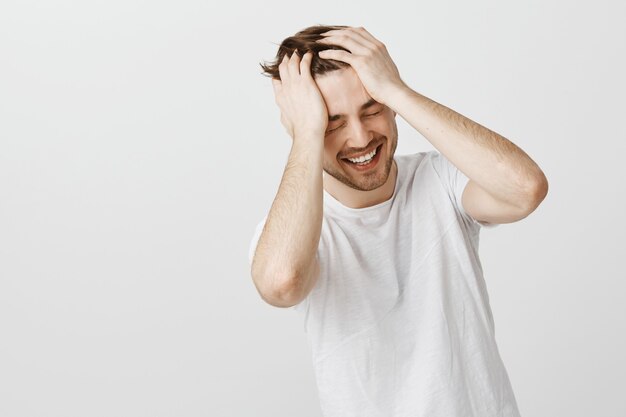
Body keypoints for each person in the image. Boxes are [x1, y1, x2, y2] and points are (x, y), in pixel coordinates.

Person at [249, 24, 548, 417]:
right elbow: (282, 284)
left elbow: (525, 189)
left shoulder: (441, 180)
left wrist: (396, 90)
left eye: (371, 109)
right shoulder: (297, 227)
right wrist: (305, 131)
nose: (359, 137)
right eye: (333, 123)